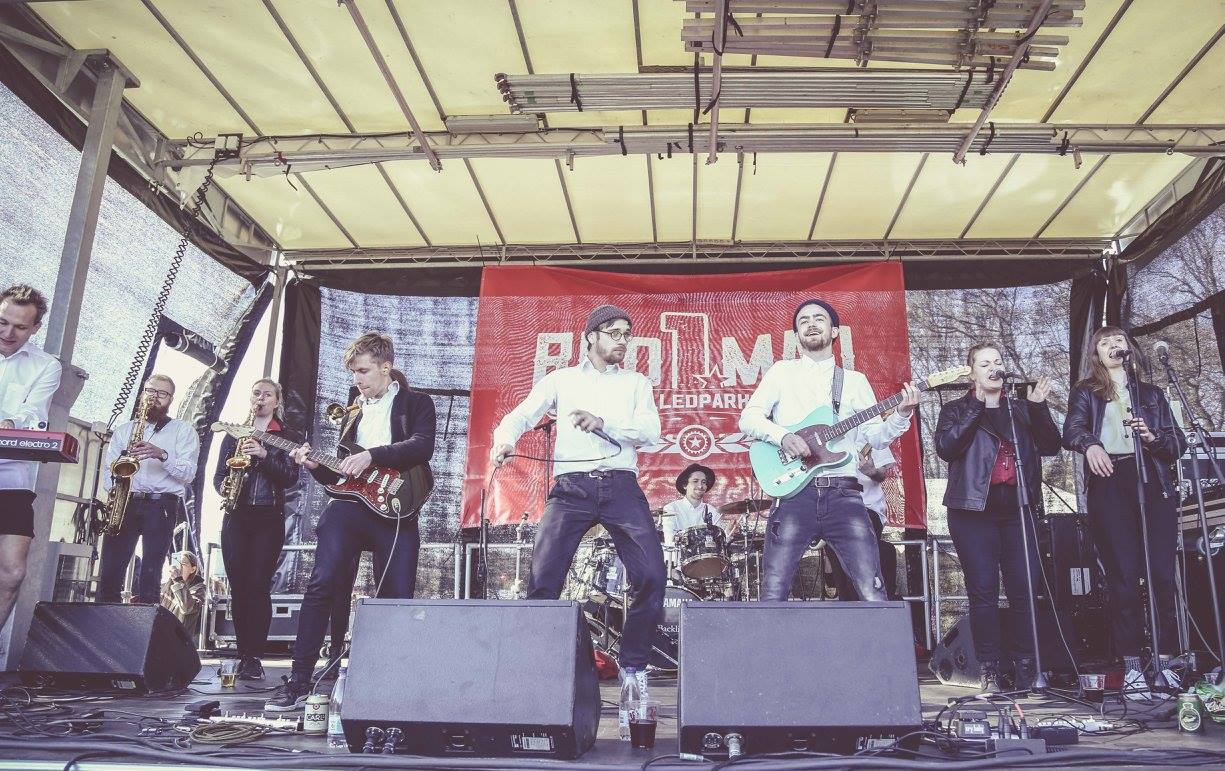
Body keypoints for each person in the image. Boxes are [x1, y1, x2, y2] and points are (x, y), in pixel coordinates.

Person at [490, 304, 664, 702]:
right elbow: (519, 416)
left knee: (652, 575)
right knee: (543, 580)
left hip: (621, 486)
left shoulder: (636, 383)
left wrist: (604, 423)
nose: (623, 341)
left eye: (627, 334)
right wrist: (505, 442)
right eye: (615, 333)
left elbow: (651, 431)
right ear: (591, 337)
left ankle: (633, 667)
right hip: (572, 489)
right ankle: (538, 672)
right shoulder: (560, 380)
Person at [267, 333, 435, 711]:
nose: (357, 379)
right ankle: (299, 680)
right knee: (322, 582)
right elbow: (342, 473)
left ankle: (388, 685)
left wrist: (372, 456)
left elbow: (422, 446)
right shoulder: (352, 409)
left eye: (363, 371)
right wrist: (315, 466)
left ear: (385, 367)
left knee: (396, 596)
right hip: (349, 505)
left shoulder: (416, 403)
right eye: (353, 372)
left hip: (397, 508)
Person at [739, 299, 919, 602]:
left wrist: (901, 414)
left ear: (835, 331)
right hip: (795, 494)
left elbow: (875, 437)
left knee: (872, 589)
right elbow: (749, 418)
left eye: (819, 319)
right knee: (774, 590)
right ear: (797, 335)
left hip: (843, 494)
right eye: (803, 321)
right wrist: (783, 437)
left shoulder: (854, 381)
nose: (811, 324)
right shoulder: (781, 372)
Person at [1064, 326, 1186, 699]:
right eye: (1105, 342)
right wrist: (1090, 444)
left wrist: (1153, 437)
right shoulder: (1086, 391)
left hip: (1152, 480)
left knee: (1162, 575)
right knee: (1124, 576)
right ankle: (1132, 665)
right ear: (1097, 355)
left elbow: (1177, 443)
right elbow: (1072, 430)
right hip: (1111, 480)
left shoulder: (1152, 394)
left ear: (1129, 348)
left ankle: (1166, 663)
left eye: (1119, 340)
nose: (1114, 346)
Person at [934, 344, 1061, 691]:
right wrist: (976, 405)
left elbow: (1052, 446)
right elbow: (947, 448)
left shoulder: (1020, 408)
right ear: (972, 372)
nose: (994, 367)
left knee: (1024, 590)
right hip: (972, 511)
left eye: (998, 362)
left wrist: (1039, 408)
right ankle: (988, 668)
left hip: (1018, 509)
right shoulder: (955, 409)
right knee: (984, 592)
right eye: (985, 363)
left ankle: (1026, 667)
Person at [213, 379, 298, 681]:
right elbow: (218, 476)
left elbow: (289, 477)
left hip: (268, 516)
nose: (260, 398)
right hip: (236, 515)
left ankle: (254, 657)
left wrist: (263, 456)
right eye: (256, 393)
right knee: (238, 586)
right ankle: (242, 653)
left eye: (267, 394)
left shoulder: (287, 437)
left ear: (277, 401)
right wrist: (224, 486)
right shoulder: (234, 433)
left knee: (258, 585)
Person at [98, 374, 200, 604]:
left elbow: (189, 474)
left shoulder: (183, 430)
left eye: (162, 393)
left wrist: (161, 455)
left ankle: (146, 624)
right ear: (142, 394)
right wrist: (116, 489)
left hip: (161, 504)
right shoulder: (124, 430)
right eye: (150, 391)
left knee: (151, 574)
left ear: (171, 399)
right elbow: (108, 470)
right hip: (124, 502)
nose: (154, 397)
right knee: (109, 573)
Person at [0, 284, 62, 631]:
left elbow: (35, 414)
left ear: (36, 328)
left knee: (12, 573)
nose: (8, 333)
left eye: (20, 327)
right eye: (2, 322)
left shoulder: (46, 366)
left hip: (11, 477)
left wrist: (12, 423)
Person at [160, 550, 205, 632]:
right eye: (177, 563)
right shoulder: (165, 587)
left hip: (179, 637)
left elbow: (187, 608)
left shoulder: (198, 589)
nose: (179, 567)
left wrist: (178, 580)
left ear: (193, 569)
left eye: (183, 564)